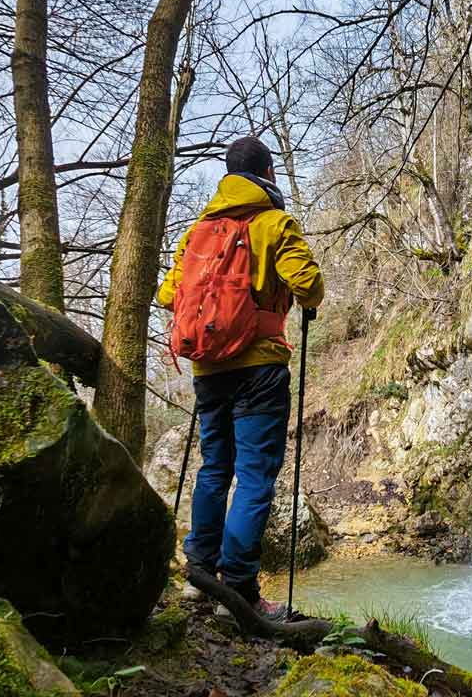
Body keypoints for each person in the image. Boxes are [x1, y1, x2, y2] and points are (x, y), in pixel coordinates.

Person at [157, 136, 323, 619]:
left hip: (208, 370)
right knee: (253, 477)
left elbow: (171, 295)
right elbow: (309, 285)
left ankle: (198, 577)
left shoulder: (198, 232)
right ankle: (241, 592)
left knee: (214, 469)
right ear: (268, 173)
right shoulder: (274, 223)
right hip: (259, 369)